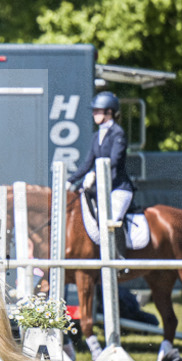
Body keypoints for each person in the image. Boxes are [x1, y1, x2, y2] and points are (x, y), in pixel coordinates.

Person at [67, 91, 136, 258]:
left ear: (109, 112)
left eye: (97, 111)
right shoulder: (96, 136)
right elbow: (87, 163)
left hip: (119, 188)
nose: (94, 114)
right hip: (102, 188)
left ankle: (119, 258)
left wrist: (94, 175)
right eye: (94, 111)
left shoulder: (118, 133)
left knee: (111, 219)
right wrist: (70, 181)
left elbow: (114, 161)